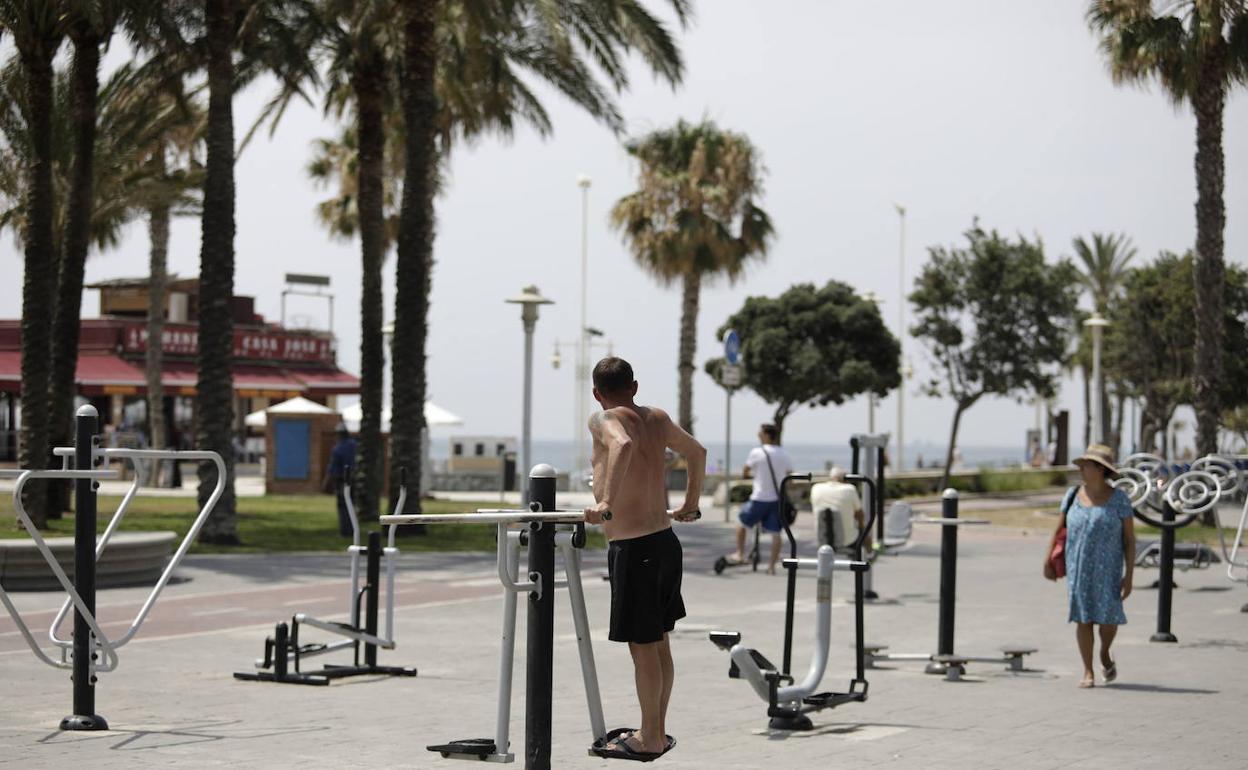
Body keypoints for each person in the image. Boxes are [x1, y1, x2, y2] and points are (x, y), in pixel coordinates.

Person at [582, 357, 703, 759]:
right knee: (659, 642)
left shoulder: (603, 418)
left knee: (644, 646)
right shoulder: (657, 418)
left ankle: (650, 738)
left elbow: (622, 444)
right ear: (634, 386)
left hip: (635, 548)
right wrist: (690, 503)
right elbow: (697, 451)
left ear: (597, 393)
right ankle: (655, 730)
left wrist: (605, 502)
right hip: (665, 542)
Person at [1043, 443, 1136, 689]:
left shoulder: (1119, 499)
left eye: (1086, 465)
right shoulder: (1072, 495)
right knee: (1083, 619)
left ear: (1100, 469)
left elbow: (1129, 540)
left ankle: (1104, 653)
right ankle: (1088, 670)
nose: (1081, 469)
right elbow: (1058, 530)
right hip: (1079, 569)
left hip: (1109, 571)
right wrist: (1047, 560)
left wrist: (1129, 576)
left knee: (1108, 620)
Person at [726, 424, 794, 574]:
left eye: (760, 432)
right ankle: (771, 566)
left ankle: (740, 554)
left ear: (767, 435)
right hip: (777, 499)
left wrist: (753, 477)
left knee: (741, 522)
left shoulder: (757, 452)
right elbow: (789, 476)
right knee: (776, 533)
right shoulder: (784, 453)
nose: (758, 434)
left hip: (760, 498)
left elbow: (745, 471)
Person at [810, 466, 863, 552]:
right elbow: (859, 513)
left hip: (822, 539)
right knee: (863, 530)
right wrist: (861, 528)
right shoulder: (850, 489)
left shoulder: (816, 488)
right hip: (848, 540)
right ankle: (869, 554)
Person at [323, 425, 357, 537]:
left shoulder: (338, 448)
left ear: (339, 435)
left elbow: (332, 468)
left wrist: (326, 483)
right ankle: (353, 529)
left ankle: (345, 531)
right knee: (352, 504)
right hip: (353, 479)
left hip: (342, 480)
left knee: (343, 505)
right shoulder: (354, 445)